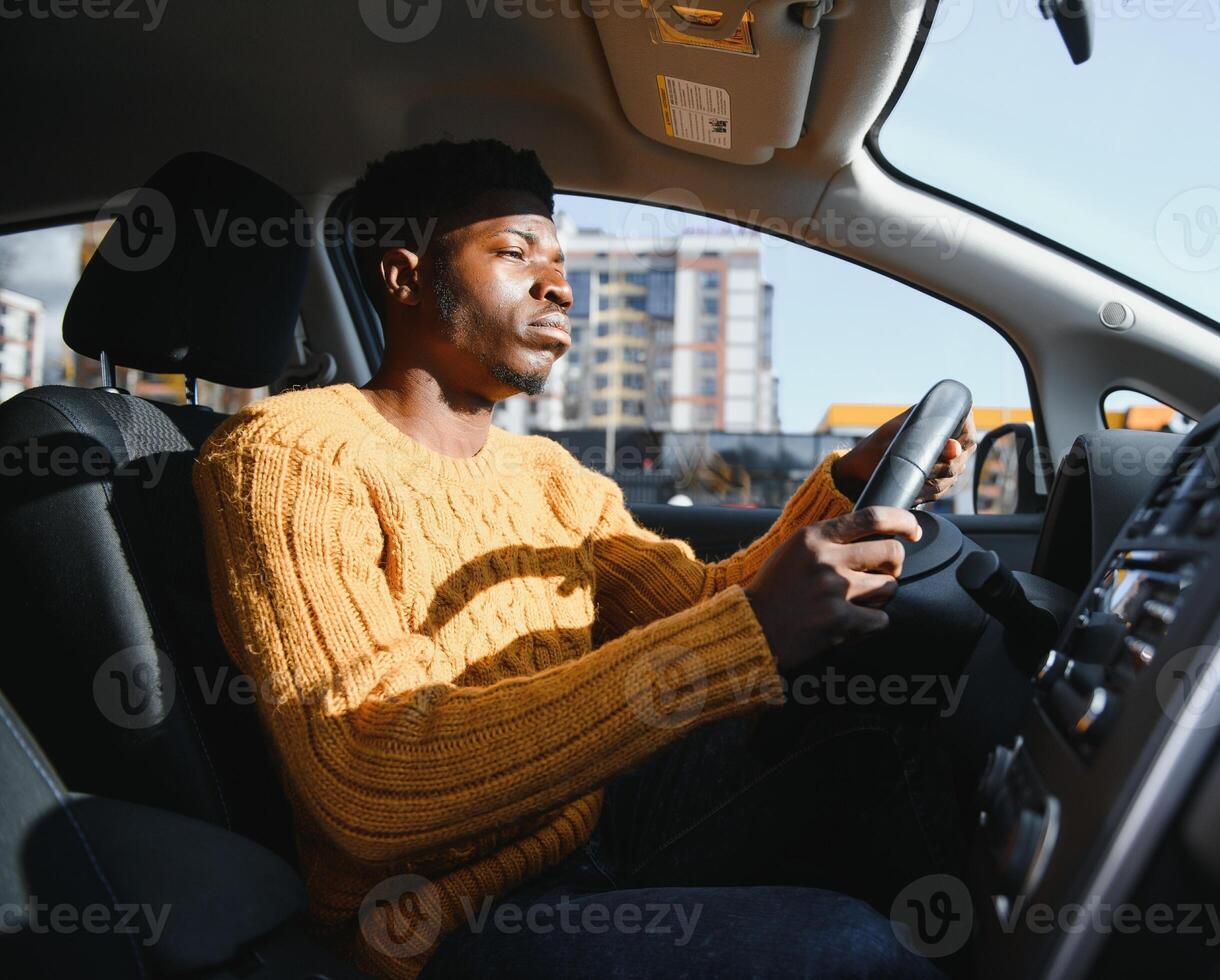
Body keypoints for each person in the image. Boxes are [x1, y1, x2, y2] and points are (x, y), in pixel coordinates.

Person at [193, 138, 977, 979]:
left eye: (560, 261)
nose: (560, 286)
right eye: (513, 253)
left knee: (882, 741)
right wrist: (749, 628)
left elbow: (705, 608)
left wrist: (844, 488)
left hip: (589, 825)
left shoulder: (548, 474)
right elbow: (369, 778)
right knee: (848, 951)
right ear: (405, 276)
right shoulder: (289, 455)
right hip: (437, 921)